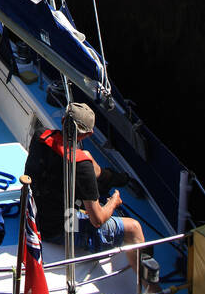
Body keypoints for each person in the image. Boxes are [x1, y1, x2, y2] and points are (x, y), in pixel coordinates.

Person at [25, 101, 145, 271]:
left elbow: (67, 160)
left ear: (63, 120)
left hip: (34, 212)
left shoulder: (40, 136)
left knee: (86, 157)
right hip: (56, 227)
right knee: (134, 228)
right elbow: (97, 220)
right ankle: (154, 291)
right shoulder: (82, 167)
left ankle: (106, 178)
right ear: (88, 134)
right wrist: (114, 202)